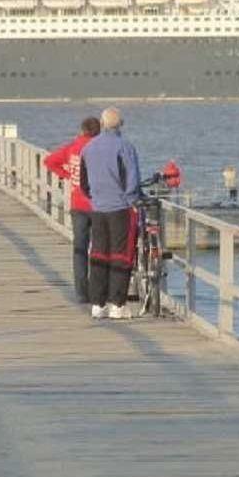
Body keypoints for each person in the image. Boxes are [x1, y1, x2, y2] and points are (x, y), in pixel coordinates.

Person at [79, 107, 143, 320]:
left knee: (98, 254)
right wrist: (132, 201)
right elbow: (132, 180)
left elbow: (83, 183)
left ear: (102, 123)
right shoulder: (125, 147)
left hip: (98, 209)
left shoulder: (88, 148)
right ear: (120, 124)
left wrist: (95, 198)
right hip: (120, 208)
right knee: (120, 255)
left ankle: (97, 304)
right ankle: (117, 304)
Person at [43, 116, 101, 304]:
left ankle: (81, 291)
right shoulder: (99, 148)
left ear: (82, 130)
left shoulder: (73, 147)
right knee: (98, 249)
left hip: (77, 205)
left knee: (79, 248)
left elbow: (49, 161)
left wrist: (67, 174)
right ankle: (97, 289)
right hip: (98, 205)